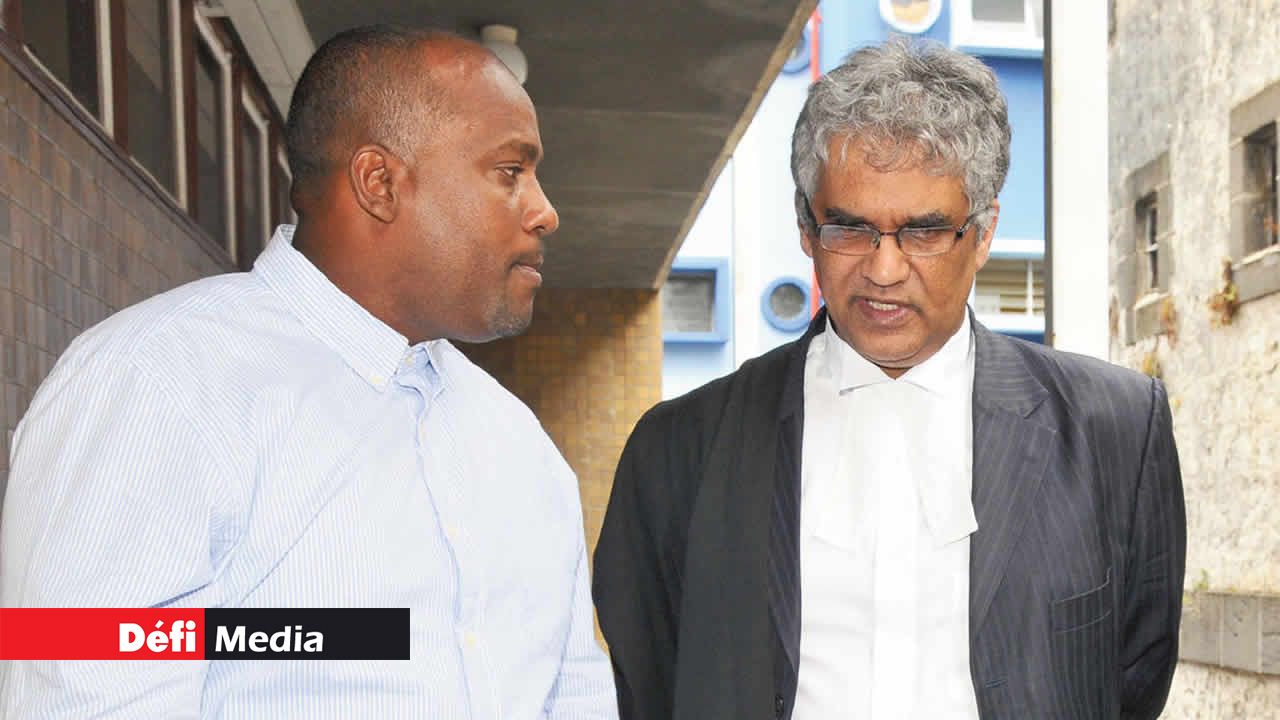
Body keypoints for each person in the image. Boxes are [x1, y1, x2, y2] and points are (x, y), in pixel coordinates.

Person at [0, 26, 617, 719]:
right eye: (509, 172)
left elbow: (577, 696)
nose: (545, 212)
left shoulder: (519, 443)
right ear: (380, 183)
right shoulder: (154, 386)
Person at [593, 38, 1185, 720]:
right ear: (806, 227)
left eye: (924, 232)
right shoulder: (679, 449)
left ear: (983, 232)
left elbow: (1134, 676)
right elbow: (651, 677)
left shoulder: (1114, 428)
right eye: (849, 229)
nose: (883, 269)